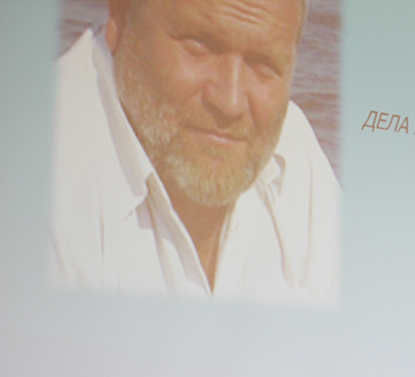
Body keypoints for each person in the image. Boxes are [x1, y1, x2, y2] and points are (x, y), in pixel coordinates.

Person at [50, 0, 339, 304]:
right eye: (199, 46)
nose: (230, 103)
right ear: (121, 18)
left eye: (263, 64)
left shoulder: (292, 149)